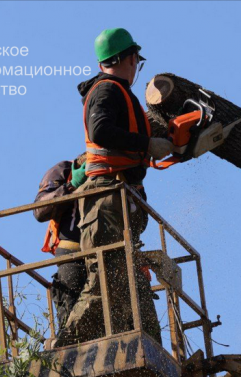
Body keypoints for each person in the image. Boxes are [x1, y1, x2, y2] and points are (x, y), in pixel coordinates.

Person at [65, 28, 173, 344]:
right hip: (106, 199)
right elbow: (100, 131)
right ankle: (62, 354)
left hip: (121, 197)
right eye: (136, 59)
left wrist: (155, 142)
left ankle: (150, 346)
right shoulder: (107, 90)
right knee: (103, 283)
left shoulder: (120, 95)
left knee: (135, 287)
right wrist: (145, 144)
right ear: (128, 58)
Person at [33, 156, 87, 344]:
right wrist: (71, 185)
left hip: (106, 252)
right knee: (72, 318)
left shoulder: (117, 171)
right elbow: (39, 210)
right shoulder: (66, 170)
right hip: (72, 253)